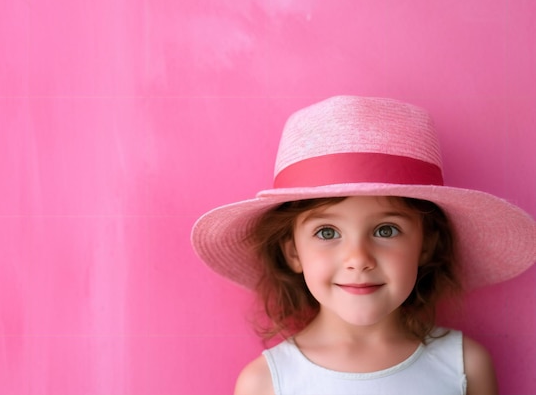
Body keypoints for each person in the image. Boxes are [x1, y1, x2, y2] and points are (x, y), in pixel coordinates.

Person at [191, 96, 536, 395]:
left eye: (386, 230)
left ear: (427, 245)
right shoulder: (265, 383)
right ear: (293, 251)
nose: (358, 259)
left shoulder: (465, 366)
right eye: (327, 233)